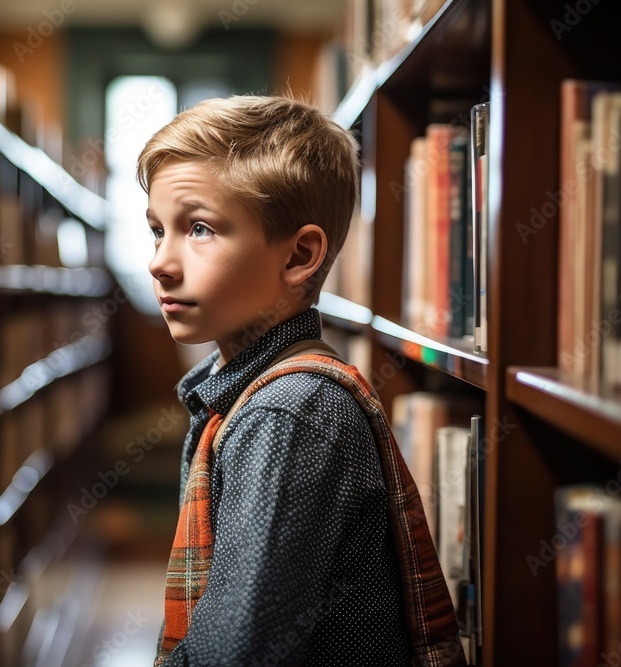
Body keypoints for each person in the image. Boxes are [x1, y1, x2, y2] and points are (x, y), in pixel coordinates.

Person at [138, 95, 465, 666]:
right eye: (156, 231)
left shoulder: (289, 411)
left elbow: (235, 655)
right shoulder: (248, 389)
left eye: (198, 229)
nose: (160, 262)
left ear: (300, 255)